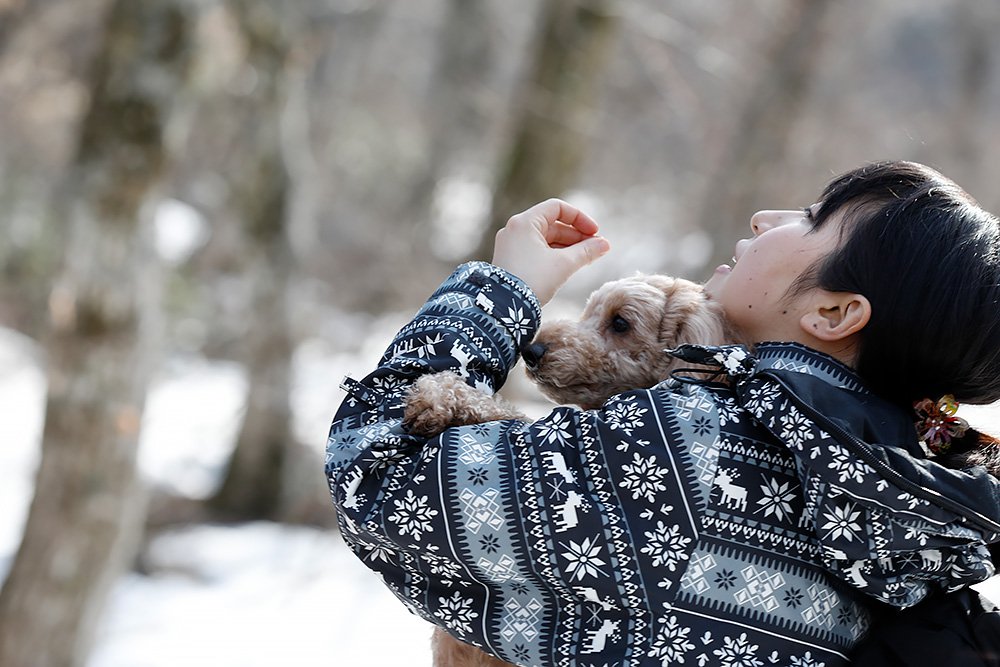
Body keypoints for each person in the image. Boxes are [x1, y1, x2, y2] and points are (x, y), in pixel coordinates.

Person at [327, 161, 1000, 666]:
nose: (765, 219)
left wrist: (500, 294)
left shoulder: (695, 451)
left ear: (833, 313)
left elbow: (380, 481)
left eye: (812, 215)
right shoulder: (903, 508)